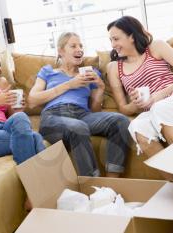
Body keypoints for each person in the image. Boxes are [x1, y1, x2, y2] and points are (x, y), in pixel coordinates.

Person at [106, 16, 173, 182]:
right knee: (137, 127)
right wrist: (137, 104)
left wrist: (159, 95)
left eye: (116, 39)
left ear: (132, 36)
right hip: (158, 110)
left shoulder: (156, 47)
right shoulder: (114, 67)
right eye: (110, 40)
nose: (113, 44)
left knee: (160, 108)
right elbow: (123, 108)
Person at [28, 32, 131, 177]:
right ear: (61, 51)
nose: (79, 49)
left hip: (82, 115)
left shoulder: (90, 73)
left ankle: (112, 180)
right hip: (53, 116)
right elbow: (32, 100)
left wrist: (100, 87)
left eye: (81, 46)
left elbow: (95, 110)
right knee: (78, 127)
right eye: (73, 46)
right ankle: (92, 183)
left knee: (121, 121)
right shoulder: (48, 72)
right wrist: (69, 84)